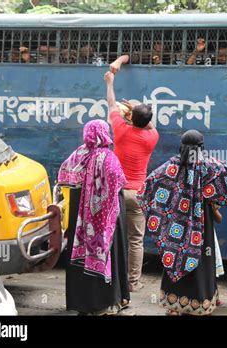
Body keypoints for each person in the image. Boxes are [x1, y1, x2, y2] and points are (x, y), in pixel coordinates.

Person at [137, 130, 227, 316]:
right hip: (202, 225)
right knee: (202, 260)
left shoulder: (172, 166)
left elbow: (147, 187)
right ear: (202, 146)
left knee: (175, 256)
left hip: (176, 226)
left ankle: (174, 305)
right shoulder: (211, 166)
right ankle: (201, 303)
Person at [57, 119, 130, 315]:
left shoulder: (77, 156)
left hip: (80, 225)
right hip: (105, 222)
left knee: (79, 259)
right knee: (109, 254)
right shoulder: (109, 158)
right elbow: (118, 185)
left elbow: (64, 178)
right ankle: (106, 302)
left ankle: (81, 304)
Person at [104, 71, 159, 293]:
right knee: (136, 240)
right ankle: (133, 283)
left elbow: (110, 104)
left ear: (129, 118)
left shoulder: (119, 130)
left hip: (116, 192)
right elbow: (149, 125)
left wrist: (110, 83)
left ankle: (109, 277)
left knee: (110, 236)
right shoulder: (151, 137)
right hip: (138, 194)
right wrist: (135, 113)